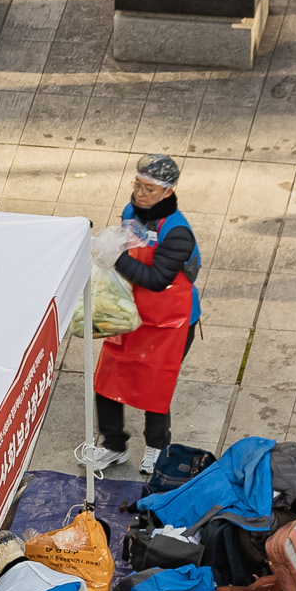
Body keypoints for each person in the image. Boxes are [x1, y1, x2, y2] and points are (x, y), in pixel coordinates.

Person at [76, 155, 200, 477]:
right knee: (107, 379)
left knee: (155, 387)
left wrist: (115, 258)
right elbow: (128, 246)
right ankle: (114, 446)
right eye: (137, 185)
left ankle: (158, 448)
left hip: (171, 321)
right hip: (131, 313)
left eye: (149, 189)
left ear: (168, 192)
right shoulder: (131, 212)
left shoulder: (178, 233)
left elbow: (158, 280)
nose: (140, 193)